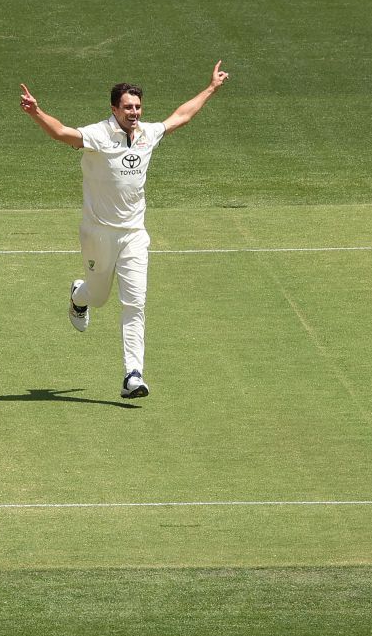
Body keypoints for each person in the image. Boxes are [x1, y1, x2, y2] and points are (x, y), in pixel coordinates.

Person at [17, 63, 229, 398]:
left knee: (135, 304)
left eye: (138, 107)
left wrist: (212, 87)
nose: (134, 112)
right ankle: (79, 296)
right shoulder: (99, 135)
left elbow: (181, 116)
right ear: (114, 108)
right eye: (128, 107)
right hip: (98, 234)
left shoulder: (147, 134)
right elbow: (61, 133)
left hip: (134, 235)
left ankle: (133, 375)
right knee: (99, 297)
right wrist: (36, 112)